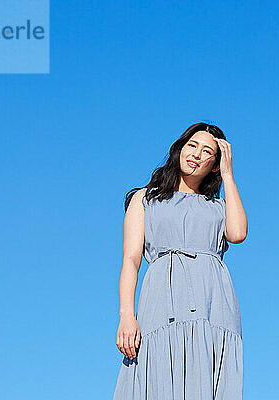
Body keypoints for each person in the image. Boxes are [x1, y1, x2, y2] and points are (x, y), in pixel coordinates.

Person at [112, 122, 247, 399]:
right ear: (180, 149)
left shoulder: (219, 207)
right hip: (161, 303)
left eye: (208, 151)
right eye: (192, 145)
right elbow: (131, 260)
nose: (197, 154)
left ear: (215, 164)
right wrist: (127, 315)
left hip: (213, 307)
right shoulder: (145, 199)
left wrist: (229, 176)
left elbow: (237, 233)